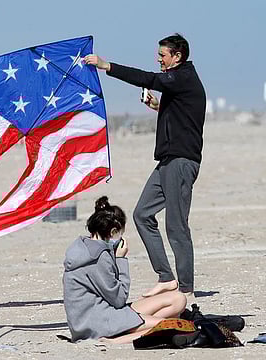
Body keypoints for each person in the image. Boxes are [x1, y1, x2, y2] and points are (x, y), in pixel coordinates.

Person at [84, 33, 206, 299]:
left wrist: (108, 67)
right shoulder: (178, 83)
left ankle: (186, 288)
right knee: (141, 215)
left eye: (163, 56)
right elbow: (182, 113)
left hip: (181, 161)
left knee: (176, 225)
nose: (159, 60)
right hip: (166, 161)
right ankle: (166, 277)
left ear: (177, 56)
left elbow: (150, 79)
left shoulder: (184, 76)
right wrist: (158, 107)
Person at [62, 196, 186, 343]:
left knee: (178, 299)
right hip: (98, 323)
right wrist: (121, 260)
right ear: (113, 231)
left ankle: (133, 327)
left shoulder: (84, 246)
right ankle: (114, 340)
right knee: (168, 326)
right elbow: (119, 299)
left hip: (96, 316)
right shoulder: (98, 257)